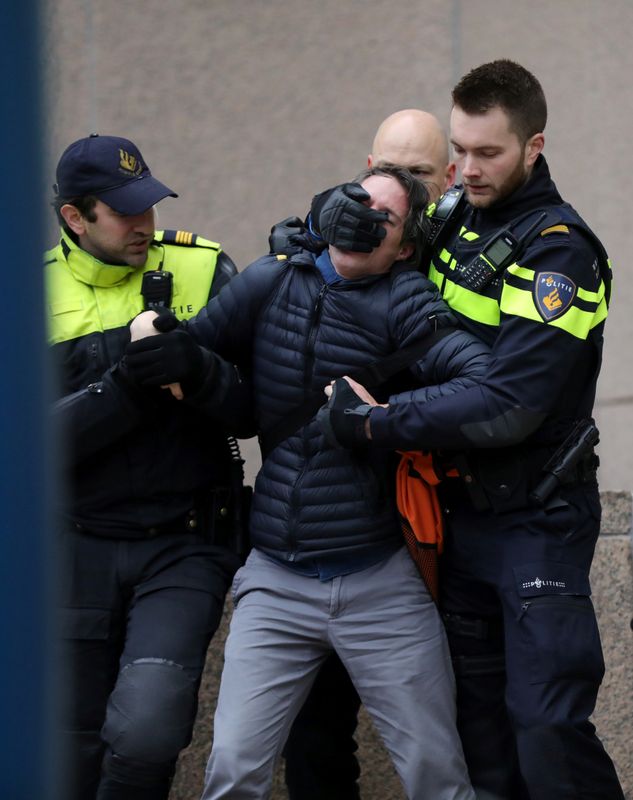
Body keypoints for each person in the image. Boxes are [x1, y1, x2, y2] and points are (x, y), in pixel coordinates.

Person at [312, 60, 625, 799]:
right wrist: (320, 225)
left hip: (534, 523)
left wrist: (378, 425)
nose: (468, 168)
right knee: (478, 739)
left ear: (533, 145)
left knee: (545, 730)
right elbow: (371, 231)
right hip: (458, 519)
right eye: (460, 150)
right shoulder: (452, 214)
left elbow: (506, 405)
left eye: (488, 153)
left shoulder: (558, 253)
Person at [126, 165, 489, 799]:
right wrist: (168, 351)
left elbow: (482, 385)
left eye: (385, 216)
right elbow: (201, 360)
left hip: (379, 583)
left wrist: (377, 420)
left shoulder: (406, 299)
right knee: (232, 772)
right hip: (274, 580)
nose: (363, 218)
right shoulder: (274, 276)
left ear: (405, 247)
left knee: (438, 776)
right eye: (358, 201)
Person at [47, 134, 249, 800]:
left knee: (150, 728)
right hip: (76, 543)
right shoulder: (29, 292)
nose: (144, 225)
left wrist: (200, 370)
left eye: (150, 206)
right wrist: (126, 386)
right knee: (70, 745)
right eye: (123, 211)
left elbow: (259, 406)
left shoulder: (205, 269)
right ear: (75, 217)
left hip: (183, 541)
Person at [281, 107, 458, 800]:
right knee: (316, 726)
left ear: (445, 178)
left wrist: (382, 418)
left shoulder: (462, 247)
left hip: (429, 518)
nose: (400, 189)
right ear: (364, 171)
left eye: (417, 174)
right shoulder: (341, 234)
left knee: (435, 732)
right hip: (330, 517)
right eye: (387, 172)